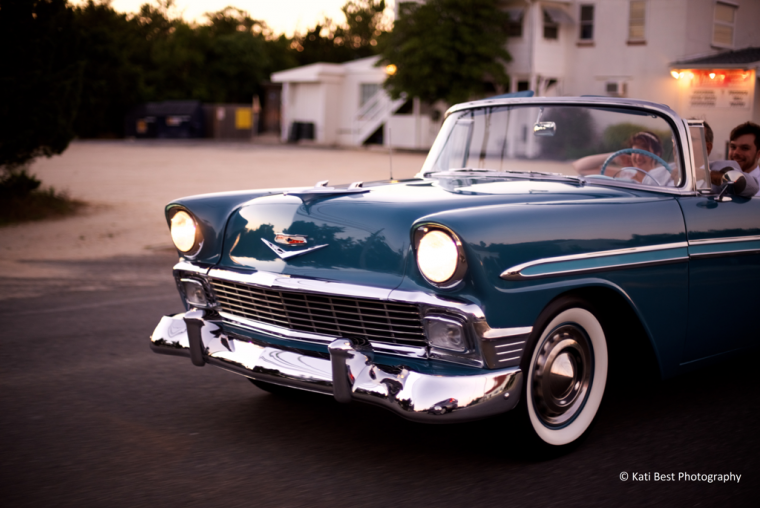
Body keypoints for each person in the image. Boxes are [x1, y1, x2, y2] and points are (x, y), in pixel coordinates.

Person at [727, 121, 760, 196]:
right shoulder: (721, 183)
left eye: (745, 148)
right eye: (733, 147)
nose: (736, 153)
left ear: (758, 154)